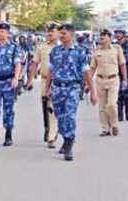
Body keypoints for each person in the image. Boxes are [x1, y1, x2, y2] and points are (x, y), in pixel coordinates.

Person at [45, 24, 96, 161]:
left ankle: (69, 145)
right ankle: (66, 138)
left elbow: (87, 72)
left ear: (72, 35)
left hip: (72, 88)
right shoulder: (55, 51)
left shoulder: (80, 52)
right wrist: (47, 88)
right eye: (60, 33)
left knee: (70, 115)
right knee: (60, 117)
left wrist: (92, 91)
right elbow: (50, 71)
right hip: (57, 88)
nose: (61, 36)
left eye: (64, 33)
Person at [26, 22, 60, 149]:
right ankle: (49, 129)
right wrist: (30, 79)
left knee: (54, 109)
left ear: (58, 33)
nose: (50, 33)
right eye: (48, 31)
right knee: (46, 107)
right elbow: (35, 63)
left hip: (60, 83)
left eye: (53, 31)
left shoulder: (63, 47)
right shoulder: (42, 47)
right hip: (45, 81)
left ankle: (52, 134)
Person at [90, 29, 127, 137]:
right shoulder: (96, 51)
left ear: (109, 37)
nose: (101, 38)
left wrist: (124, 79)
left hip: (113, 79)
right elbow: (92, 68)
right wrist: (88, 84)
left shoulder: (116, 49)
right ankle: (105, 128)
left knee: (111, 104)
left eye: (103, 36)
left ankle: (114, 124)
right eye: (100, 36)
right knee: (102, 106)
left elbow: (122, 64)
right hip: (100, 80)